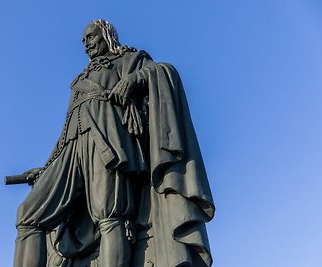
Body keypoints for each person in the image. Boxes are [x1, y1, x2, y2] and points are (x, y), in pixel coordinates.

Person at [12, 19, 215, 267]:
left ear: (107, 35)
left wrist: (133, 80)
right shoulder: (79, 80)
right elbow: (66, 131)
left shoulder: (127, 59)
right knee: (28, 215)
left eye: (91, 36)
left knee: (109, 214)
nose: (86, 43)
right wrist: (44, 169)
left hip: (108, 143)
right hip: (72, 149)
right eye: (83, 40)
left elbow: (164, 71)